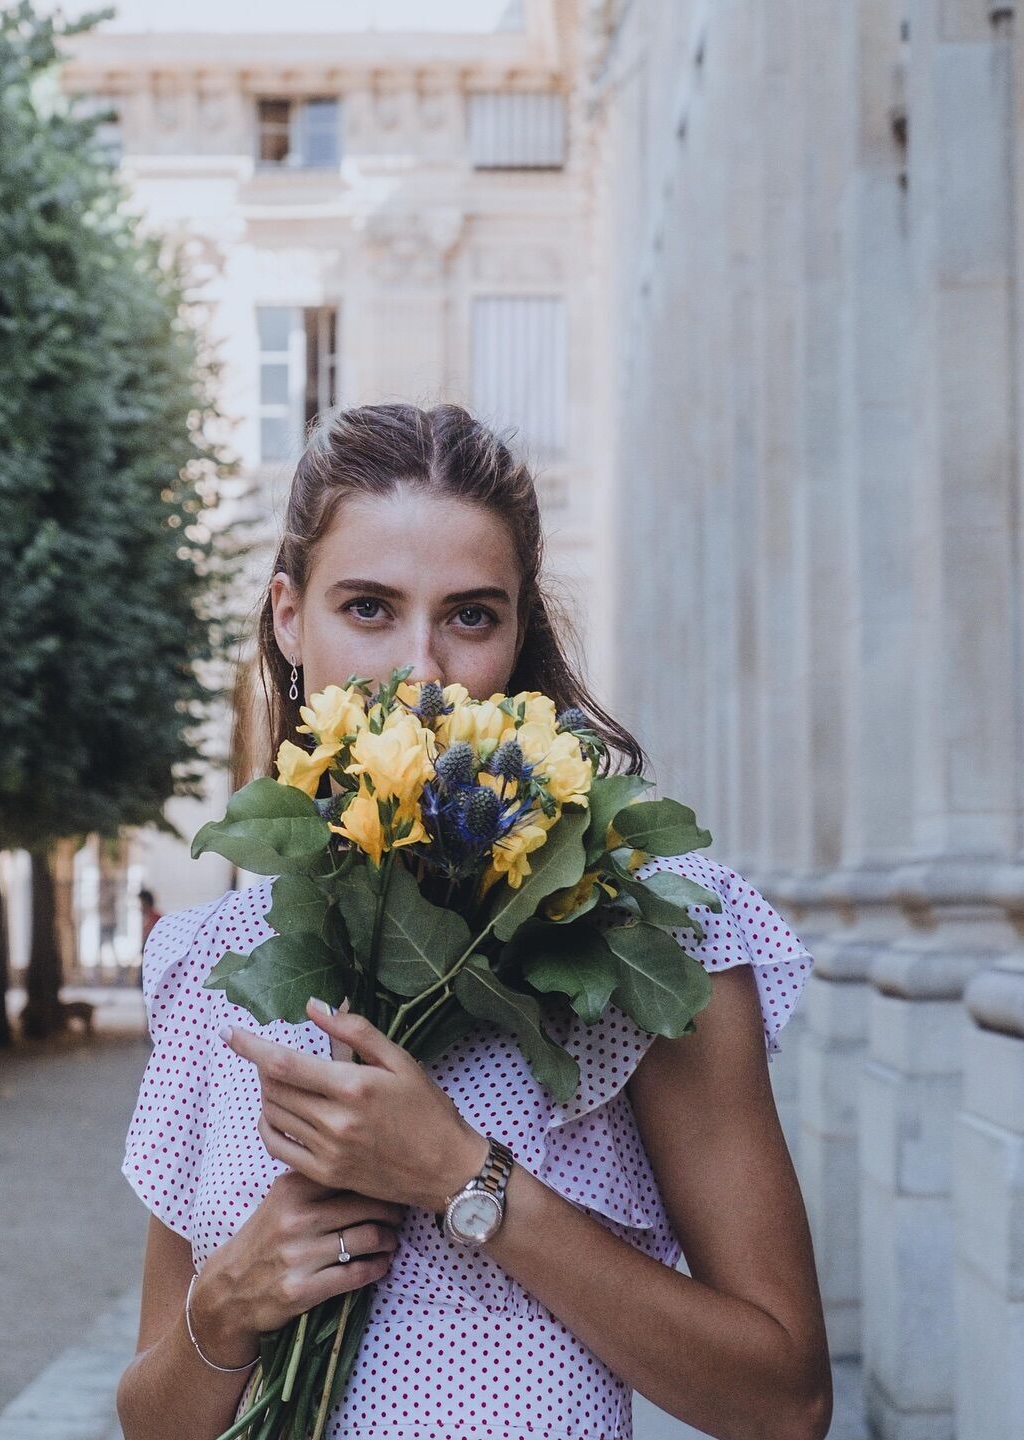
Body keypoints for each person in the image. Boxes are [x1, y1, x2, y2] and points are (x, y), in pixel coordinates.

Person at [115, 403, 831, 1440]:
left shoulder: (638, 928)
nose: (421, 673)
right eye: (367, 607)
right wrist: (227, 1305)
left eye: (471, 616)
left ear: (518, 634)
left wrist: (463, 1175)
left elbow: (787, 1401)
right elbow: (151, 1423)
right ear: (286, 616)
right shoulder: (212, 963)